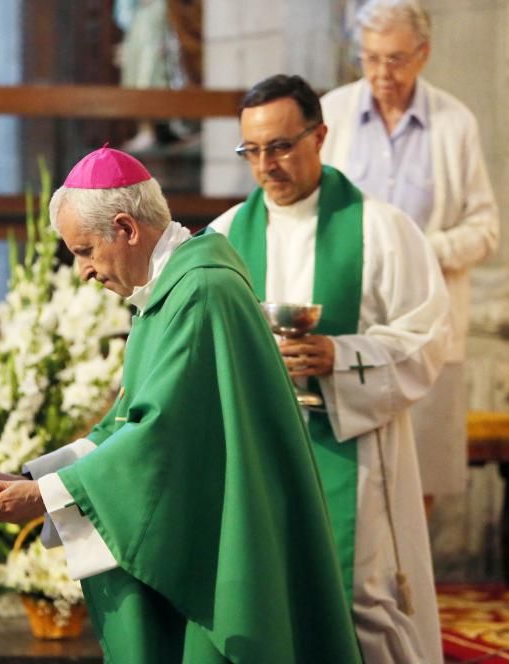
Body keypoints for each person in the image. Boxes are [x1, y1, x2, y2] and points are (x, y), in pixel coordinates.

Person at [0, 146, 361, 663]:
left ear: (127, 228)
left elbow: (159, 441)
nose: (83, 272)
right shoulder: (165, 294)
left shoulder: (201, 292)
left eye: (86, 250)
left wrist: (49, 496)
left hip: (222, 549)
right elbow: (128, 424)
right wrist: (37, 481)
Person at [209, 74, 451, 663]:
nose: (266, 165)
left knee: (361, 598)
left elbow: (426, 338)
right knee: (267, 591)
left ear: (319, 135)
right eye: (252, 151)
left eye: (281, 146)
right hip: (256, 449)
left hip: (351, 447)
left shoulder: (380, 229)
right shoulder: (222, 237)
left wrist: (341, 356)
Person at [320, 0, 499, 507]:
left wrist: (421, 251)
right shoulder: (332, 114)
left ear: (423, 54)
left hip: (429, 325)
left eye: (395, 59)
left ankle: (418, 585)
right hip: (347, 323)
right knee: (347, 478)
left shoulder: (454, 122)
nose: (382, 73)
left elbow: (486, 229)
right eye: (370, 58)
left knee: (419, 486)